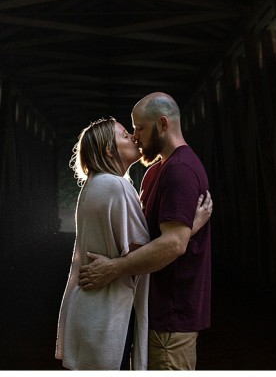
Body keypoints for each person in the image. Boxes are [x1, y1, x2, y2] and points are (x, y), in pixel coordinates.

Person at [55, 117, 211, 370]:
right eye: (126, 135)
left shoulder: (94, 185)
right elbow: (144, 250)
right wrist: (190, 227)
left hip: (90, 310)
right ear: (109, 149)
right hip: (106, 314)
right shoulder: (116, 186)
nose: (134, 137)